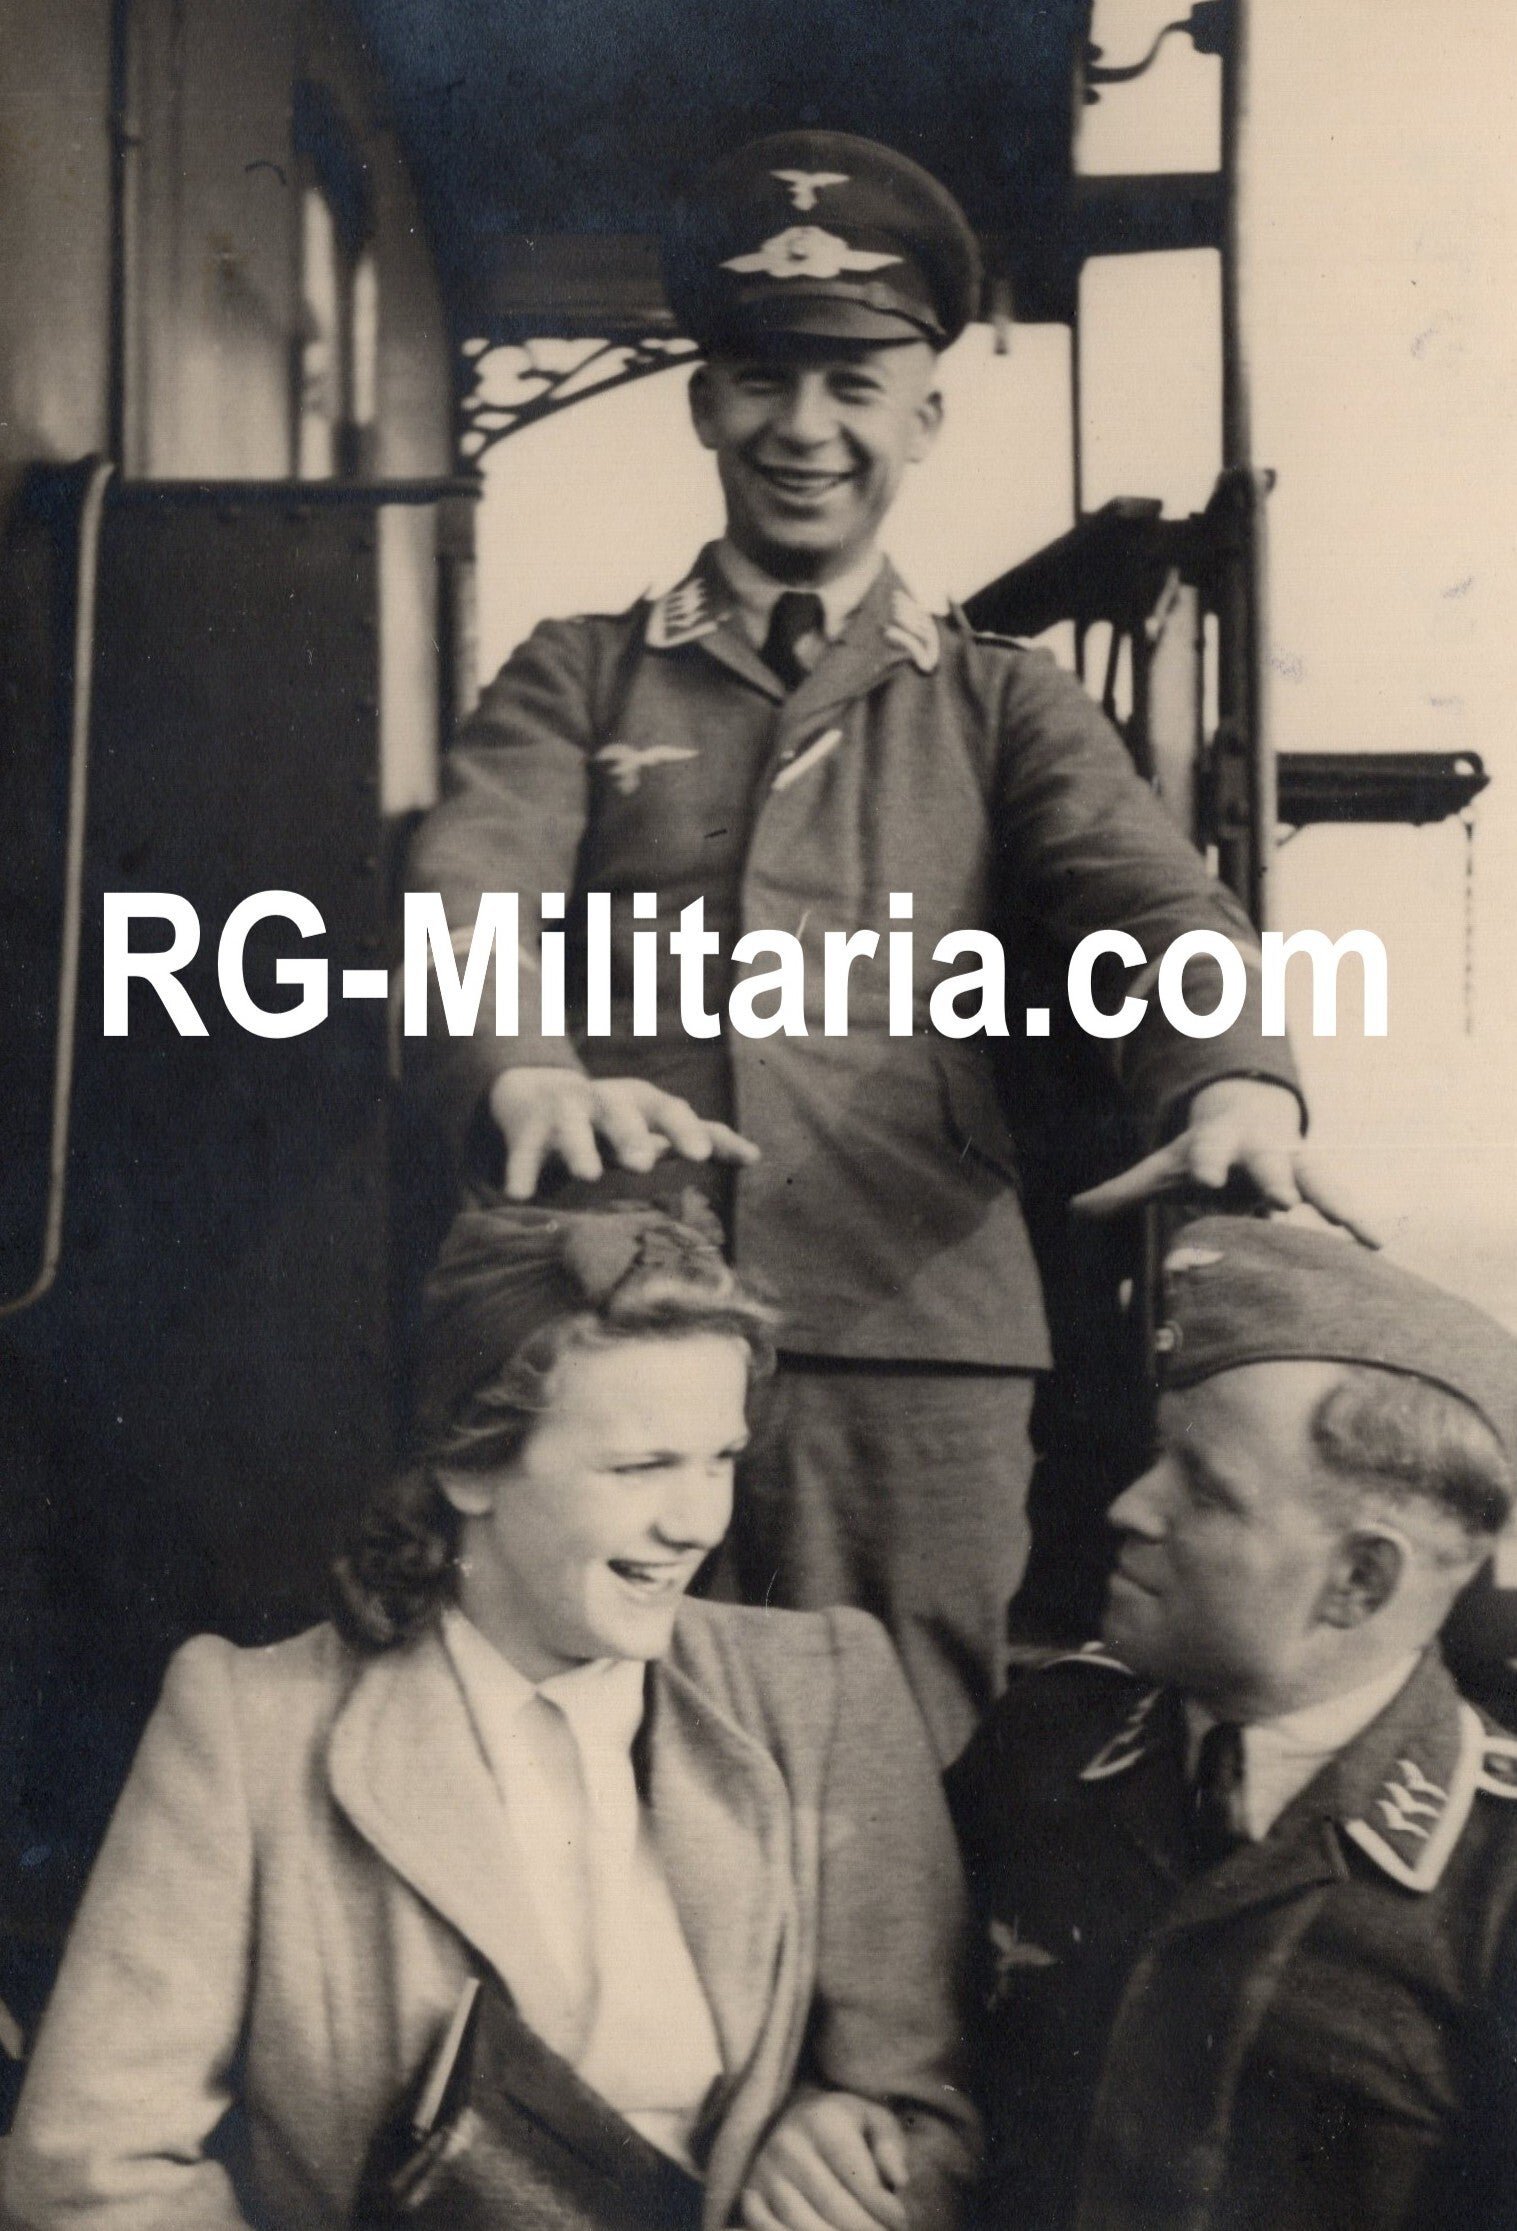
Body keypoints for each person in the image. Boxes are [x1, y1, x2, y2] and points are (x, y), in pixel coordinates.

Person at [405, 128, 1363, 1764]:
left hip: (912, 1344)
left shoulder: (1003, 704)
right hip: (613, 1310)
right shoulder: (578, 674)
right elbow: (467, 876)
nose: (805, 428)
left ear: (922, 416)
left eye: (854, 383)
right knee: (579, 1752)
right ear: (706, 403)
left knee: (900, 1782)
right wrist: (524, 1058)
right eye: (767, 377)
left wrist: (1233, 1080)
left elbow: (1149, 900)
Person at [3, 1199, 978, 2231]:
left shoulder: (821, 1692)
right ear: (469, 1465)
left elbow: (936, 2123)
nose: (696, 1519)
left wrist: (830, 2135)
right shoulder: (253, 1725)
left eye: (721, 1458)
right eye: (640, 1465)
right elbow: (89, 2168)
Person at [947, 1214, 1517, 2231]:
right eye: (1154, 1456)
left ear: (1357, 1577)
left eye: (1201, 1487)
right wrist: (847, 2112)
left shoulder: (1494, 1887)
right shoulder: (1042, 1736)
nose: (1128, 1505)